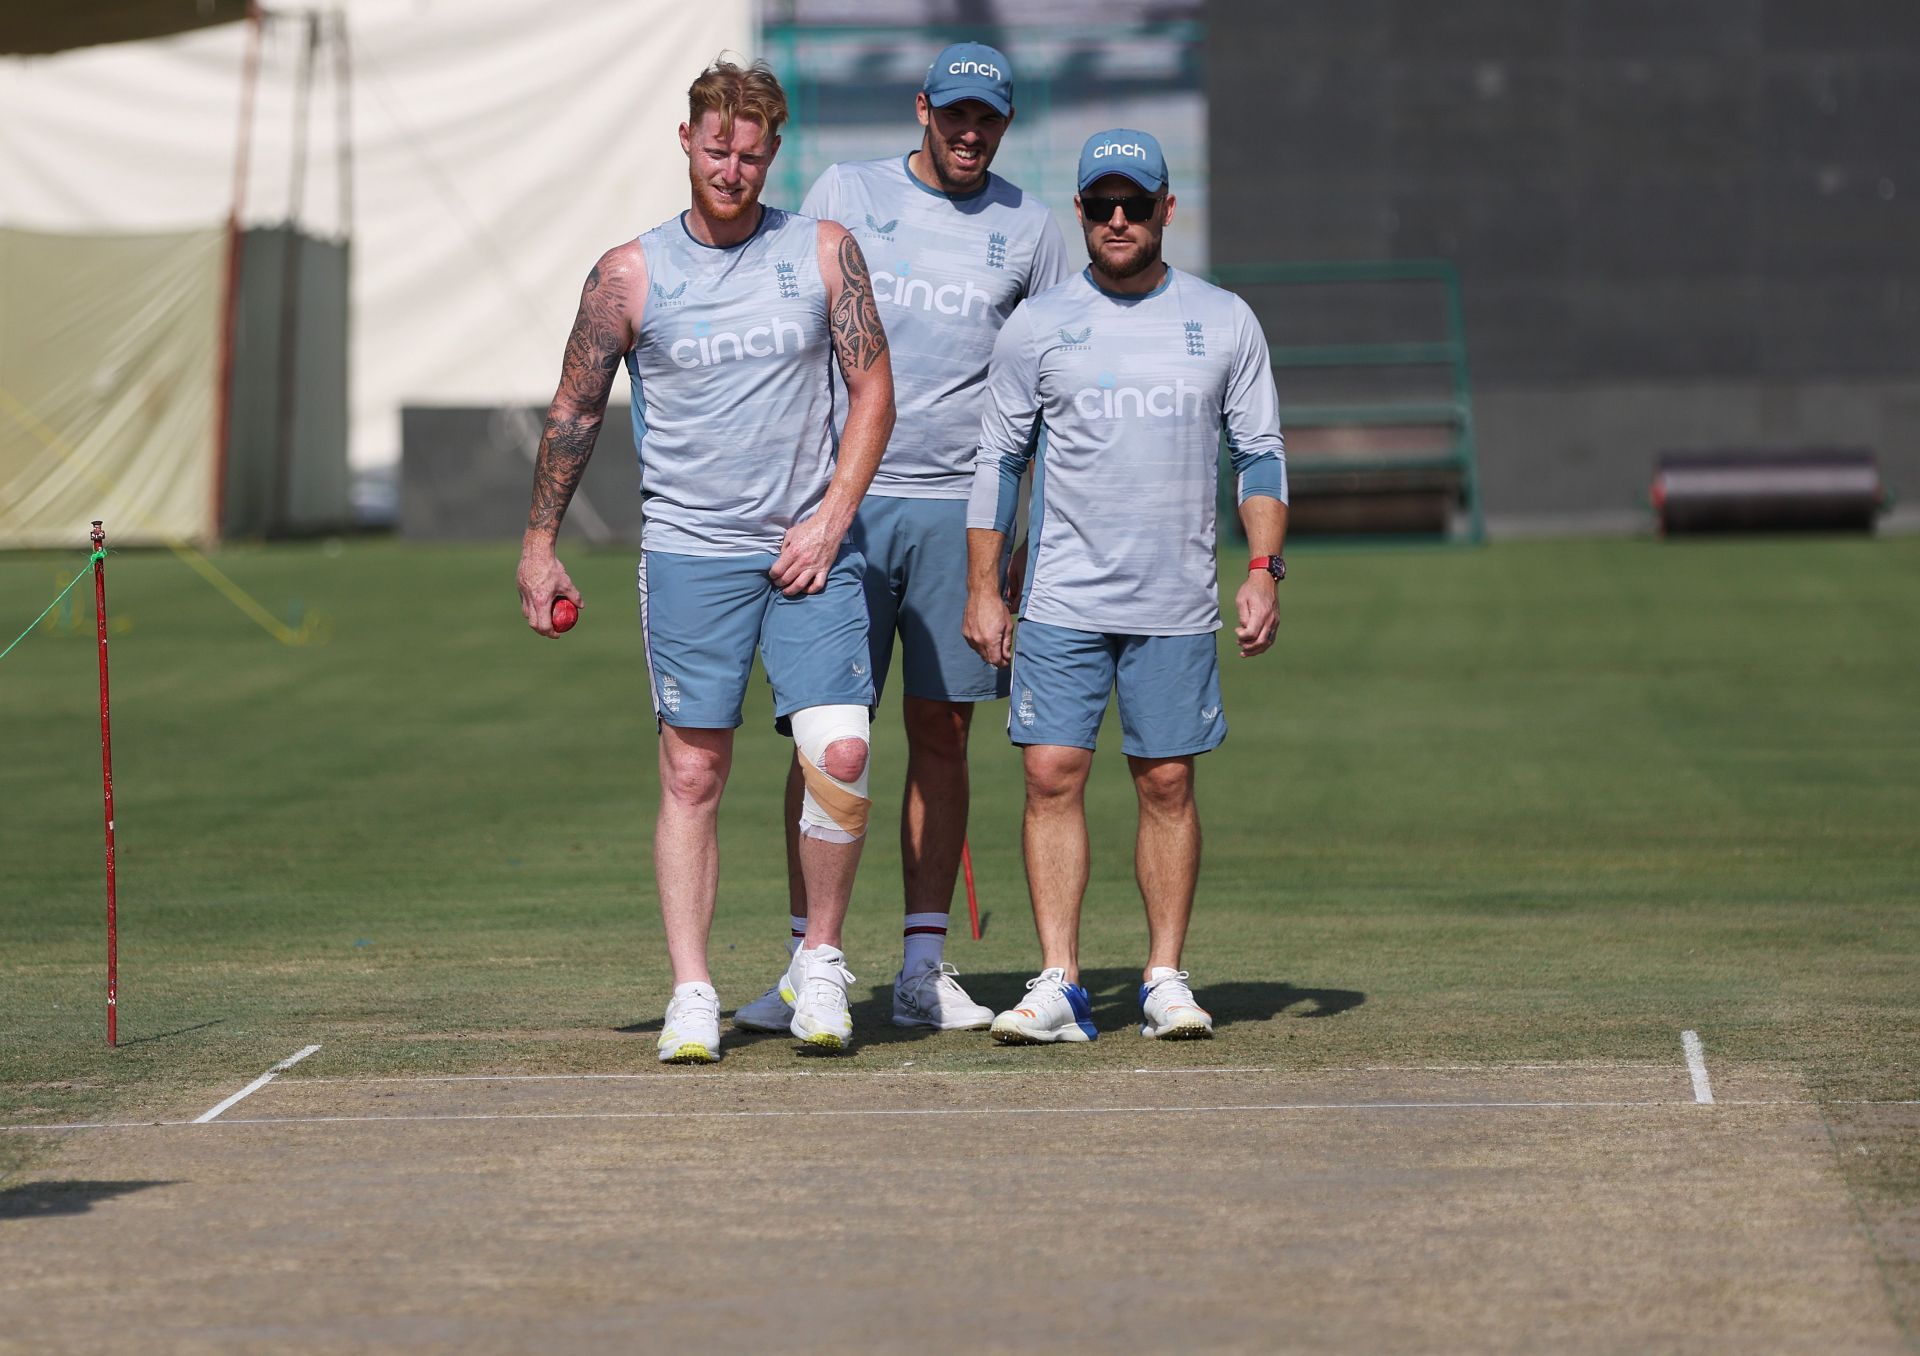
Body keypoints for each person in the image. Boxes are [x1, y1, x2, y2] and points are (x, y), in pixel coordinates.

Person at [515, 58, 895, 1063]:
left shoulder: (823, 251)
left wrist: (831, 518)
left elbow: (873, 393)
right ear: (686, 141)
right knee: (694, 772)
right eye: (717, 146)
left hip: (810, 549)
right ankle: (692, 990)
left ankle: (818, 962)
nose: (733, 166)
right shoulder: (628, 274)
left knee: (841, 752)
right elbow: (574, 411)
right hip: (690, 551)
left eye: (752, 151)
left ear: (775, 152)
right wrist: (540, 542)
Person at [731, 42, 1069, 1036]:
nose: (970, 131)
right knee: (823, 735)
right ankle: (807, 963)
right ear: (923, 109)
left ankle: (923, 969)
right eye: (955, 112)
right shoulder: (848, 190)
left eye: (989, 118)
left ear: (1005, 125)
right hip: (839, 504)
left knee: (942, 733)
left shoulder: (1033, 229)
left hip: (961, 515)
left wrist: (1013, 544)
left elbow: (1048, 398)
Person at [961, 128, 1287, 1043]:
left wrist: (1263, 570)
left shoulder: (1225, 320)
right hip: (1062, 599)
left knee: (1168, 783)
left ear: (1165, 211)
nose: (1117, 219)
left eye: (1135, 204)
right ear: (1079, 212)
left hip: (1176, 602)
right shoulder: (1037, 325)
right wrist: (985, 587)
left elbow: (1260, 458)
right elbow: (999, 461)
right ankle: (1061, 981)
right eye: (1101, 204)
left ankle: (1163, 978)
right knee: (1049, 775)